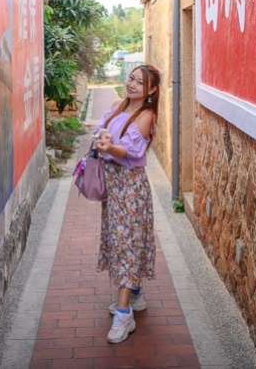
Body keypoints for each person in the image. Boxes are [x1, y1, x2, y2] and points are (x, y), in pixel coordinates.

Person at [92, 64, 161, 344]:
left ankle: (124, 314)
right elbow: (100, 132)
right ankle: (135, 294)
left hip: (131, 187)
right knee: (122, 240)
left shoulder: (146, 116)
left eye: (139, 82)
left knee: (126, 244)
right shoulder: (116, 106)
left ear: (151, 91)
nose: (132, 84)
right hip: (114, 185)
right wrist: (101, 139)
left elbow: (129, 152)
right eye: (131, 78)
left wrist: (110, 148)